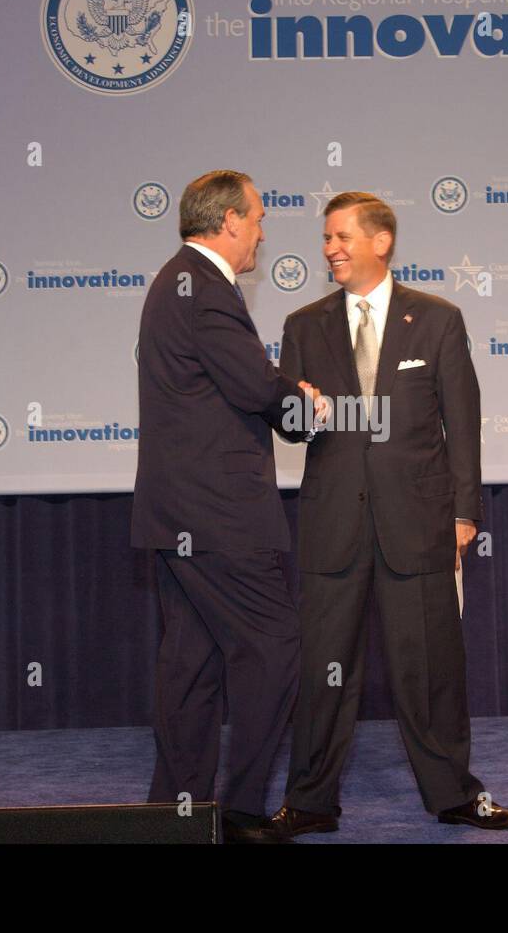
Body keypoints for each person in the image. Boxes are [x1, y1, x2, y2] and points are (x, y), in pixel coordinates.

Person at [268, 192, 508, 835]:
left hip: (419, 525)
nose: (330, 248)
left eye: (342, 236)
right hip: (333, 529)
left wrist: (465, 512)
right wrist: (300, 408)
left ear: (381, 242)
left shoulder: (436, 319)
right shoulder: (304, 325)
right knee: (324, 672)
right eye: (326, 238)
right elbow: (294, 431)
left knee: (430, 670)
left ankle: (453, 795)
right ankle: (310, 802)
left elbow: (462, 424)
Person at [131, 170, 322, 843]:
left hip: (179, 516)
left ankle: (175, 818)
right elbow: (251, 382)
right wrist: (304, 404)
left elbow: (229, 382)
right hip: (218, 518)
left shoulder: (175, 281)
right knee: (273, 647)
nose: (264, 232)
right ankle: (239, 814)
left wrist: (277, 389)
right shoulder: (204, 288)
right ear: (229, 222)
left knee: (192, 662)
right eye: (259, 218)